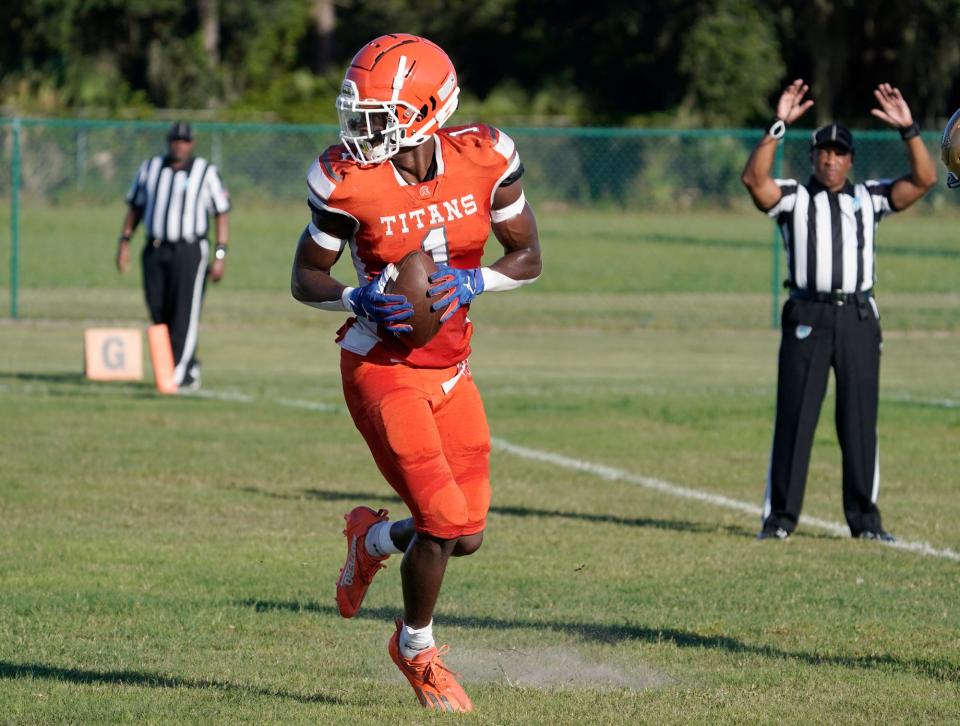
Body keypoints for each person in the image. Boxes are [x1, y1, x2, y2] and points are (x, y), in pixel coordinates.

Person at [291, 34, 541, 712]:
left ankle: (371, 539)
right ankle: (415, 648)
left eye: (380, 114)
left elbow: (528, 258)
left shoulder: (485, 158)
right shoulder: (349, 180)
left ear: (430, 110)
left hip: (451, 368)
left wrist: (474, 282)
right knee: (440, 517)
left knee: (466, 534)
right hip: (381, 366)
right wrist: (353, 295)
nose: (361, 129)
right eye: (359, 112)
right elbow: (305, 276)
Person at [741, 80, 936, 542]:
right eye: (823, 152)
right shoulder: (793, 197)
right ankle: (781, 520)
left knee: (859, 420)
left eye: (839, 152)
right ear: (812, 158)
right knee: (796, 417)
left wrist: (909, 128)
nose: (830, 159)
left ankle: (866, 522)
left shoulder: (869, 197)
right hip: (809, 314)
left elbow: (925, 179)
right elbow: (754, 181)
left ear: (851, 160)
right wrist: (779, 123)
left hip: (858, 318)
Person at [116, 121, 231, 391]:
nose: (179, 144)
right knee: (159, 312)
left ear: (191, 144)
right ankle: (180, 367)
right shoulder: (150, 168)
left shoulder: (205, 172)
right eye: (175, 140)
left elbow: (221, 211)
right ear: (168, 142)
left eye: (184, 140)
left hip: (189, 249)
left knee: (184, 314)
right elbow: (135, 207)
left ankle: (179, 373)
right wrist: (124, 242)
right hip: (155, 249)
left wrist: (220, 253)